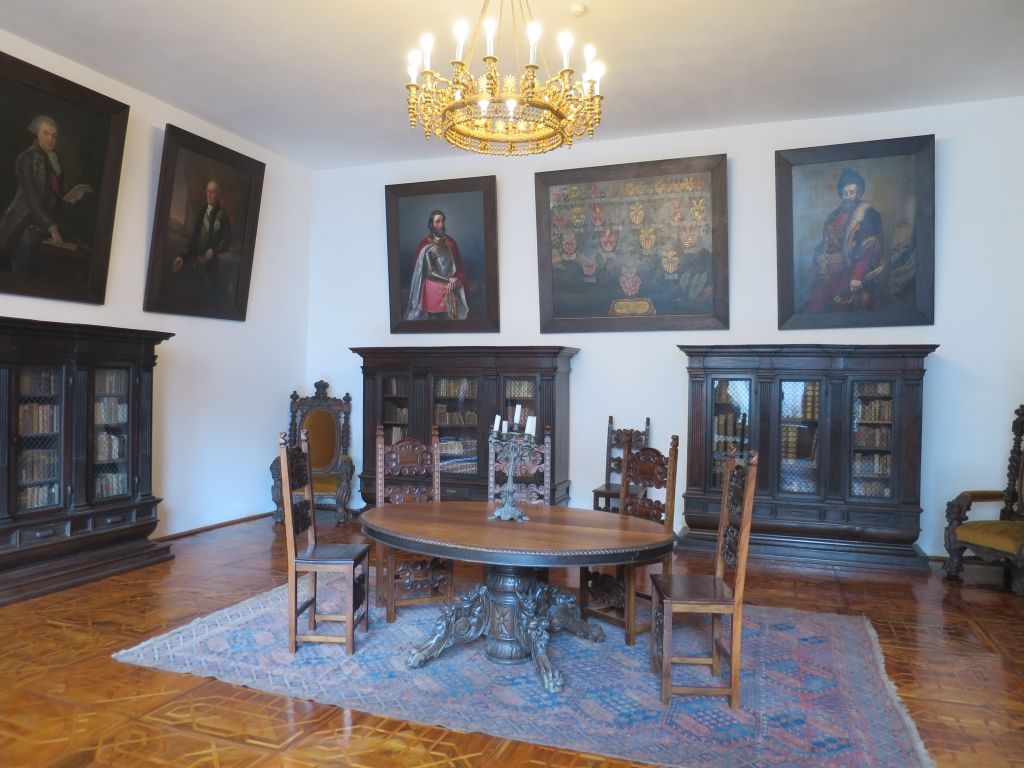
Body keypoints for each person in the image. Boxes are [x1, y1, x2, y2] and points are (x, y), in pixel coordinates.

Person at [0, 115, 92, 275]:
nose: (50, 139)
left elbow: (52, 195)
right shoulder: (28, 158)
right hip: (25, 225)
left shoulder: (54, 159)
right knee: (23, 276)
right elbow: (32, 197)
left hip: (45, 228)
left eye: (54, 135)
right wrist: (52, 227)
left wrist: (70, 198)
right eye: (46, 133)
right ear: (36, 133)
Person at [801, 168, 884, 312]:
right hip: (827, 274)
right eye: (844, 193)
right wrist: (819, 257)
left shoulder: (868, 214)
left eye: (851, 192)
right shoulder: (834, 215)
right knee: (812, 310)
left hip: (850, 272)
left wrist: (857, 275)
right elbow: (824, 244)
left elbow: (872, 247)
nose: (848, 197)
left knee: (842, 312)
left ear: (859, 192)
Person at [172, 180, 232, 301]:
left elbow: (227, 240)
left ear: (218, 194)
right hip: (196, 264)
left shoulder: (222, 215)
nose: (209, 195)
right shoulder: (201, 212)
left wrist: (213, 250)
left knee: (206, 299)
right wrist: (183, 257)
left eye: (213, 192)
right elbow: (194, 239)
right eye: (208, 191)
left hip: (211, 267)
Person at [405, 209, 469, 320]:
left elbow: (460, 268)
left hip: (450, 286)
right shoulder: (424, 244)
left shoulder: (451, 243)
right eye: (437, 222)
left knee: (452, 318)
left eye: (442, 221)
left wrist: (456, 279)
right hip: (432, 288)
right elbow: (426, 272)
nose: (441, 225)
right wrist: (448, 279)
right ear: (431, 224)